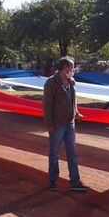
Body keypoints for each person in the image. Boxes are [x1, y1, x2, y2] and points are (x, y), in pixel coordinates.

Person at [43, 57, 90, 192]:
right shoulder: (51, 83)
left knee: (72, 154)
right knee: (54, 154)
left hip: (70, 124)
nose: (73, 70)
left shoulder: (71, 82)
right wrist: (49, 124)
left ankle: (75, 182)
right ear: (64, 68)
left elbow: (72, 100)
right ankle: (53, 182)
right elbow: (47, 105)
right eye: (71, 67)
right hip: (57, 125)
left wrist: (76, 113)